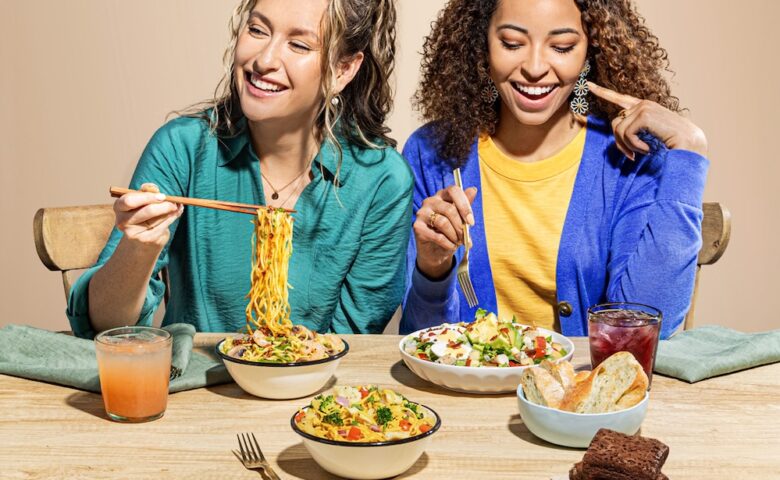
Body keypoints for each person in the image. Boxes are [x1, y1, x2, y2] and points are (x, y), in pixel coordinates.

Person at [67, 0, 412, 339]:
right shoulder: (183, 148)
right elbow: (104, 326)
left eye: (298, 44)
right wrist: (138, 249)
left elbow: (353, 343)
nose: (263, 60)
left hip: (314, 392)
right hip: (195, 389)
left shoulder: (381, 180)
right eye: (258, 29)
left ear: (343, 69)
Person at [401, 0, 709, 339]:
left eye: (561, 47)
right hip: (465, 388)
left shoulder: (629, 160)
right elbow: (421, 339)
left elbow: (644, 329)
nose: (534, 67)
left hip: (579, 389)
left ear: (590, 50)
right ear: (481, 45)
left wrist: (689, 149)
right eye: (512, 44)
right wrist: (433, 266)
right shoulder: (432, 153)